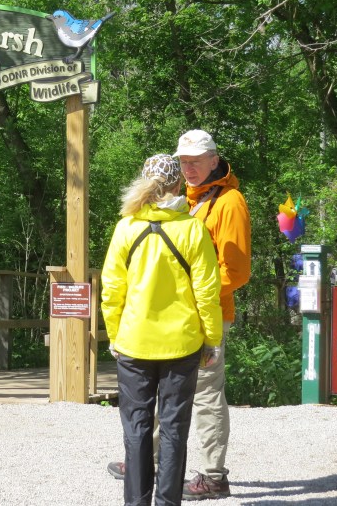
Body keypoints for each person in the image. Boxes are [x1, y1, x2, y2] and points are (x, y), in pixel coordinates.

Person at [106, 130, 252, 501]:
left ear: (214, 160)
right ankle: (148, 467)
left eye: (196, 161)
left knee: (202, 398)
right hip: (179, 325)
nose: (189, 168)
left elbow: (234, 273)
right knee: (170, 417)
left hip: (203, 318)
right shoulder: (186, 205)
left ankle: (212, 474)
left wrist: (205, 324)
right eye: (183, 161)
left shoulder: (228, 202)